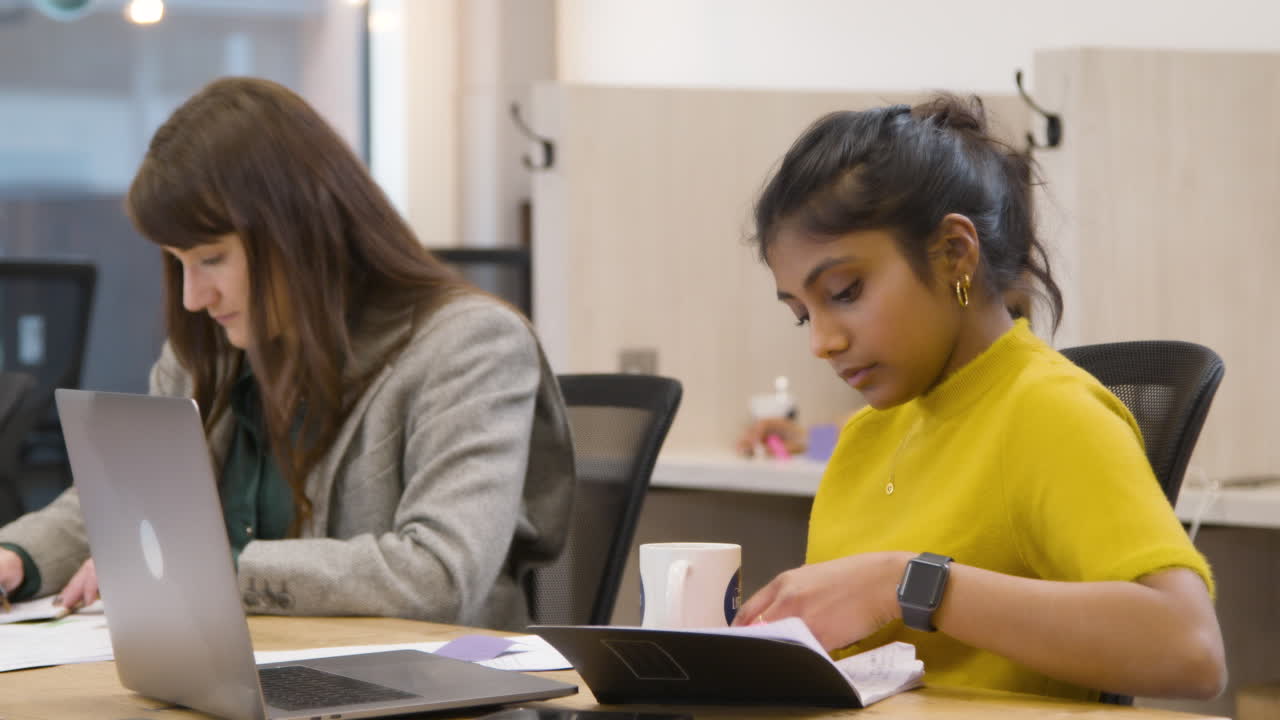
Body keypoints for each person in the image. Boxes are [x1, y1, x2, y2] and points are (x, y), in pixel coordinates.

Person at [0, 77, 574, 631]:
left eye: (211, 259)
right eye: (179, 262)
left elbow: (439, 574)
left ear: (297, 232)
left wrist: (212, 570)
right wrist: (19, 558)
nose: (193, 298)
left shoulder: (470, 345)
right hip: (260, 674)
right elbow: (122, 499)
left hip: (434, 686)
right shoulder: (212, 349)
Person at [731, 95, 1226, 701]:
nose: (823, 343)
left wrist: (905, 584)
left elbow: (1190, 649)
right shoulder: (867, 434)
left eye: (845, 290)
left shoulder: (1050, 412)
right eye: (802, 315)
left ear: (953, 255)